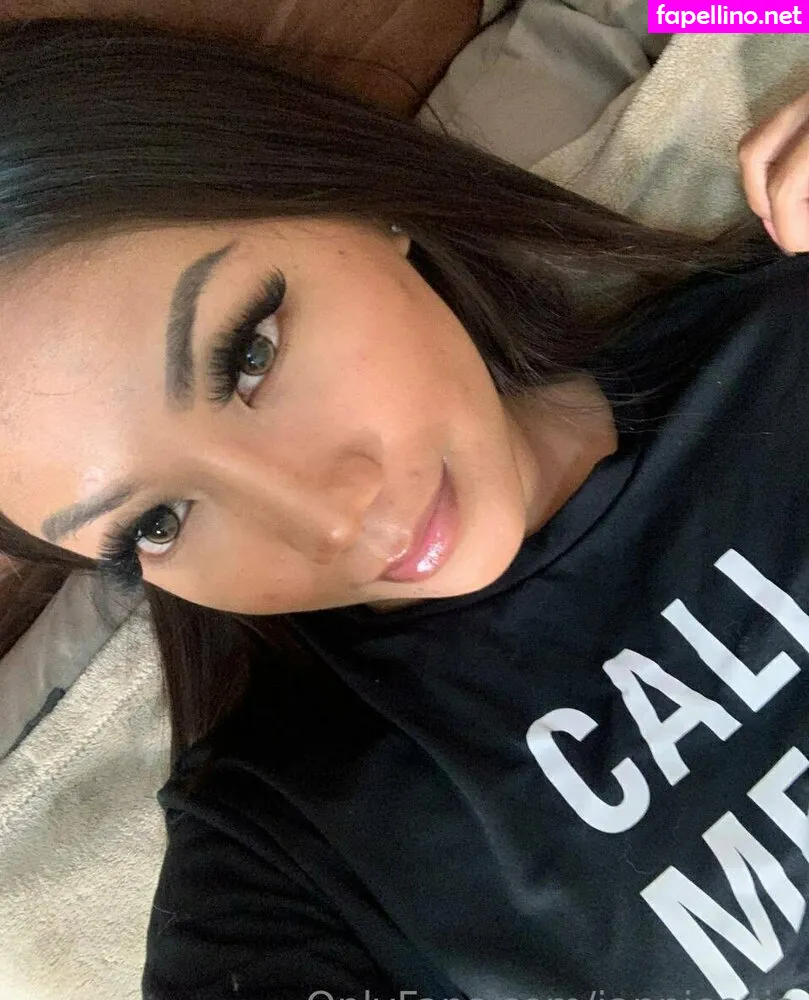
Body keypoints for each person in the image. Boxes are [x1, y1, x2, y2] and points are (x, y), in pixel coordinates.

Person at [0, 16, 807, 1000]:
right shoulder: (292, 861)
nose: (327, 520)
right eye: (156, 522)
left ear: (347, 193)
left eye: (251, 354)